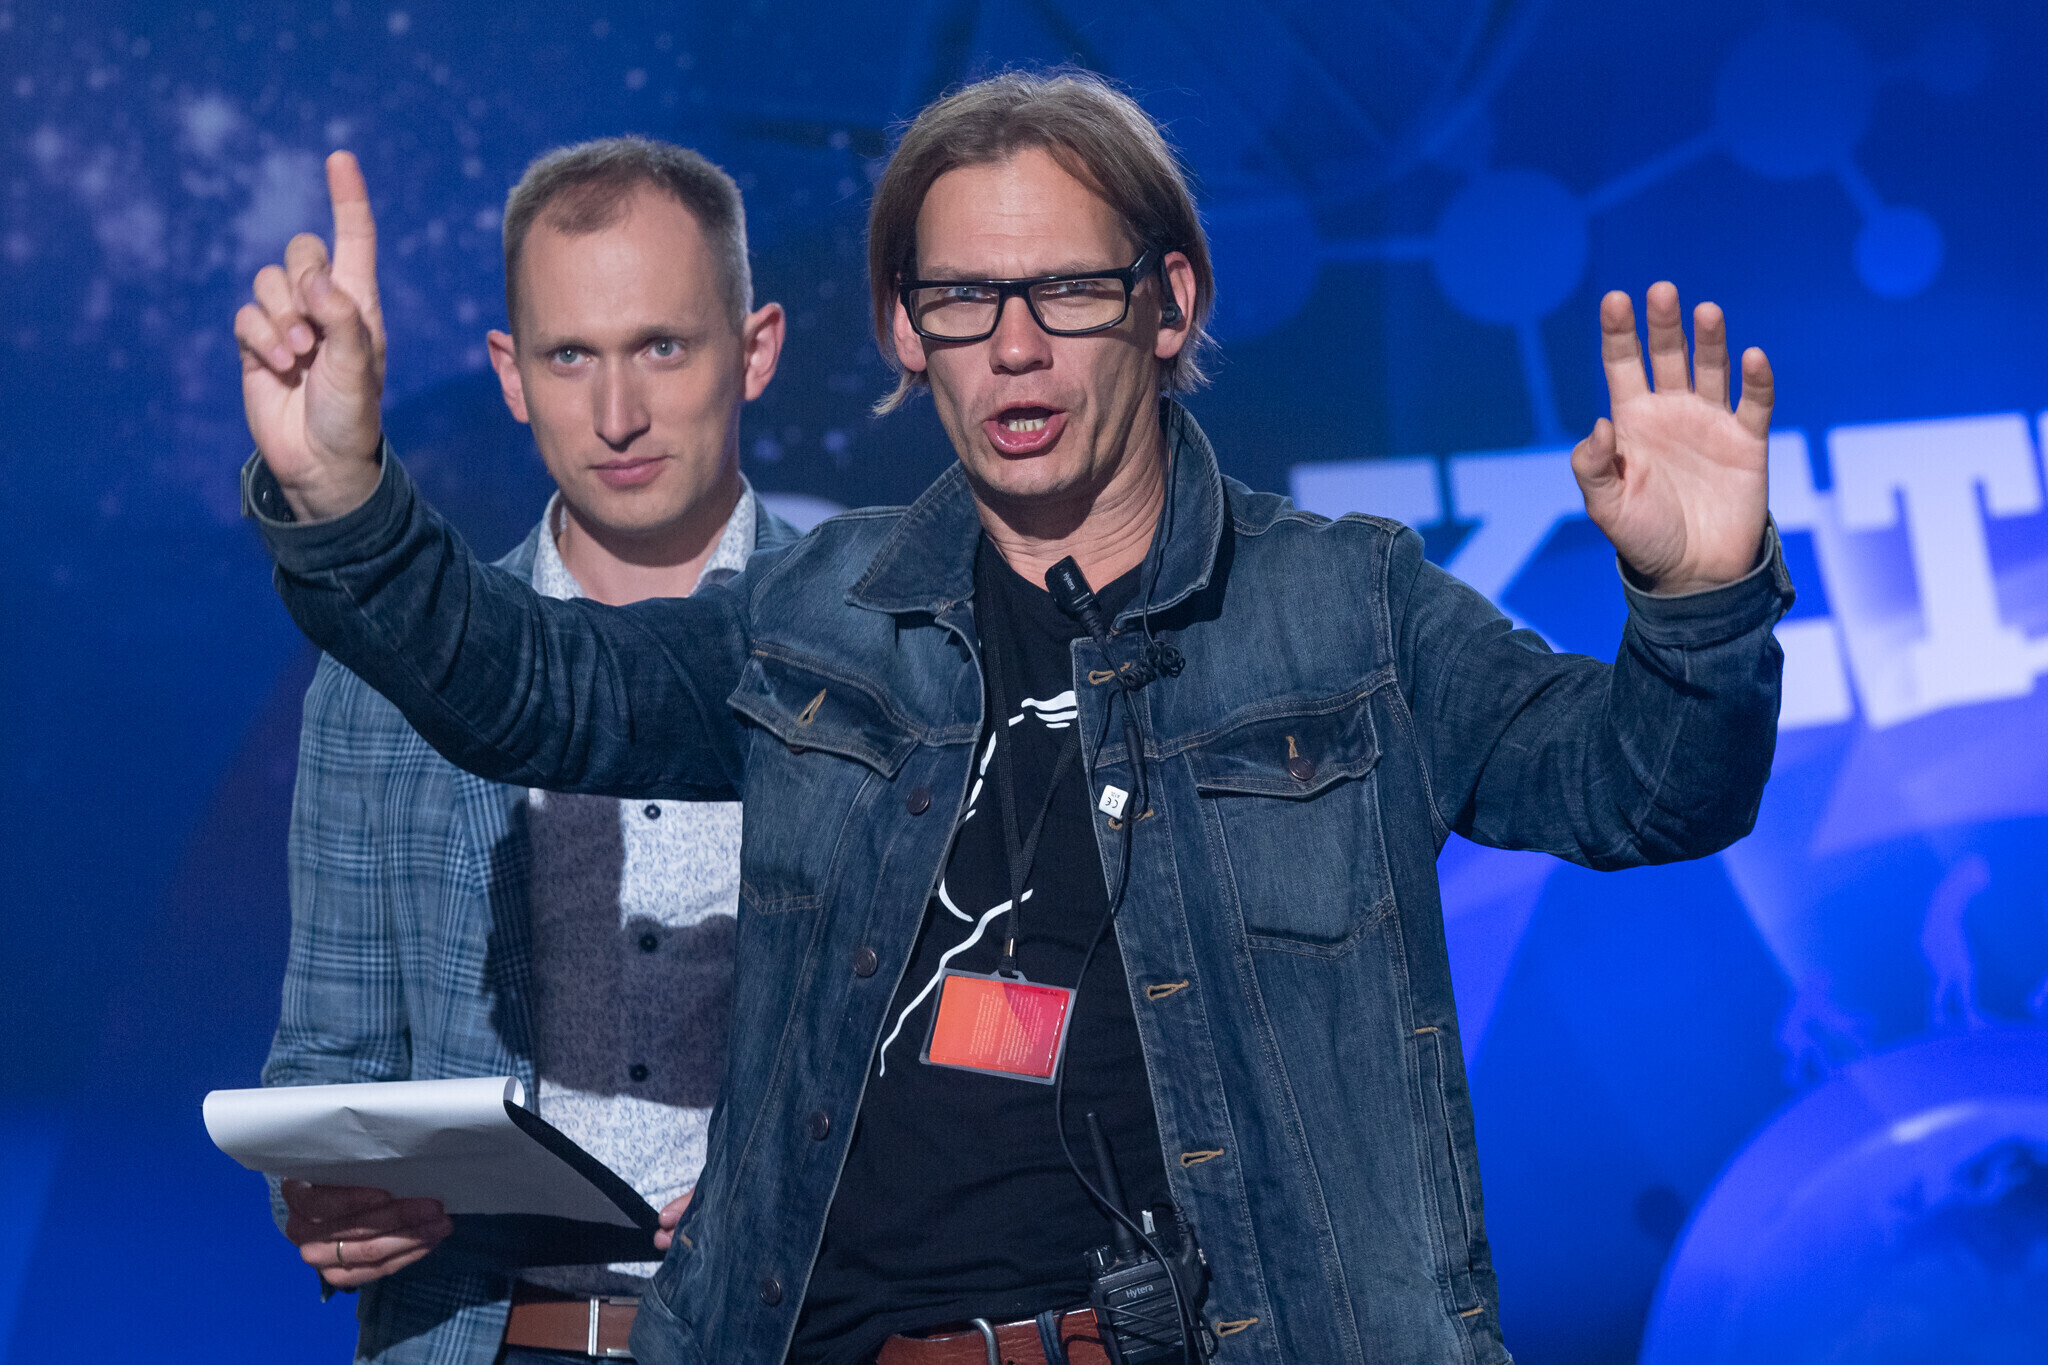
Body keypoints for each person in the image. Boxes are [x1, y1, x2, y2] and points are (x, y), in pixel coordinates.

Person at [233, 70, 1792, 1365]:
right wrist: (343, 496)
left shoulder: (1346, 608)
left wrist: (1702, 600)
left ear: (1169, 302)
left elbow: (1644, 790)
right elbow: (531, 687)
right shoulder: (817, 614)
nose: (1016, 345)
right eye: (964, 299)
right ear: (906, 332)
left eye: (1067, 289)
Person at [254, 136, 795, 1364]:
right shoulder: (380, 683)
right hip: (483, 1335)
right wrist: (322, 1199)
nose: (617, 414)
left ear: (754, 349)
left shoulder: (876, 649)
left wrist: (814, 1195)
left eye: (662, 347)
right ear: (509, 373)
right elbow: (329, 1060)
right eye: (570, 356)